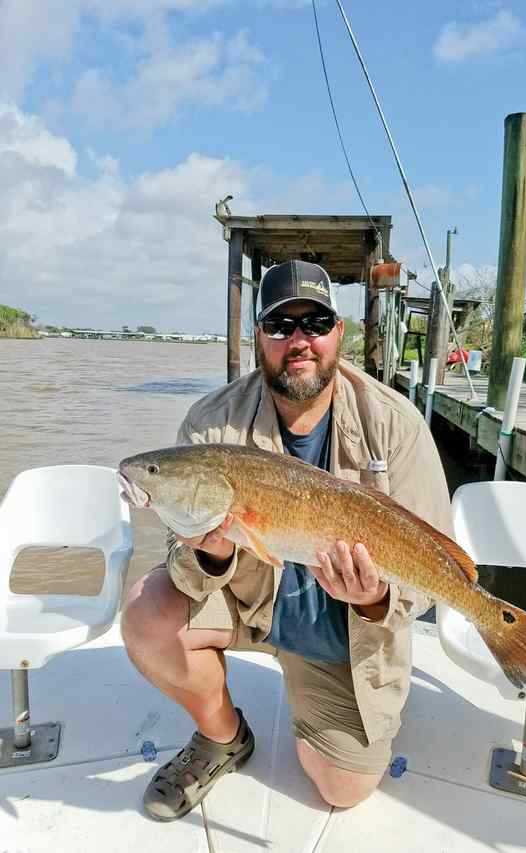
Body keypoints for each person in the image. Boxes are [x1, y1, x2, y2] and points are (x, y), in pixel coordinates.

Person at [121, 259, 453, 821]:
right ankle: (224, 736)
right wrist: (211, 549)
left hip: (344, 634)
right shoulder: (210, 424)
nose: (299, 340)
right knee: (145, 611)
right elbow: (180, 562)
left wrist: (371, 599)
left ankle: (350, 707)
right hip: (250, 605)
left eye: (315, 322)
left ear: (338, 333)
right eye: (280, 326)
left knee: (342, 788)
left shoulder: (397, 425)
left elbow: (431, 569)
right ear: (259, 339)